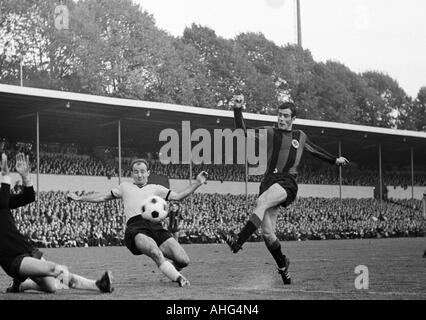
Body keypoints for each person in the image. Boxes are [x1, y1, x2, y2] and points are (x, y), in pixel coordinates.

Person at [220, 95, 349, 285]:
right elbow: (243, 132)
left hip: (287, 181)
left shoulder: (300, 136)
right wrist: (238, 110)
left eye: (285, 116)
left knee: (261, 202)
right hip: (268, 181)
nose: (281, 118)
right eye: (279, 115)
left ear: (293, 118)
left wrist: (334, 160)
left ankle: (238, 240)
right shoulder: (270, 132)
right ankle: (283, 266)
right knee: (267, 233)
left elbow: (315, 150)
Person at [67, 158, 208, 287]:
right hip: (136, 228)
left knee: (184, 260)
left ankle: (173, 268)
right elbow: (102, 197)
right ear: (132, 174)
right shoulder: (124, 187)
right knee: (155, 252)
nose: (139, 175)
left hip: (155, 226)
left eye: (142, 172)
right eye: (136, 172)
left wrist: (197, 183)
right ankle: (179, 278)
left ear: (148, 173)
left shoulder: (156, 188)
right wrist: (79, 198)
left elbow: (178, 196)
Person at [0, 152, 113, 294]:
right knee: (53, 269)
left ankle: (21, 285)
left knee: (51, 287)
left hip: (25, 248)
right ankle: (98, 285)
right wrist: (5, 175)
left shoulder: (2, 198)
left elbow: (28, 197)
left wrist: (25, 176)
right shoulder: (2, 200)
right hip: (12, 259)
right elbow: (3, 202)